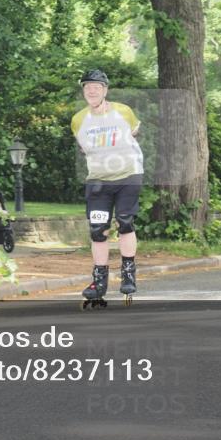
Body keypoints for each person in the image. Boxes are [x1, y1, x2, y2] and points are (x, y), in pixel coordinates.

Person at [71, 69, 144, 304]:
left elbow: (135, 132)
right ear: (84, 91)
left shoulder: (123, 111)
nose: (91, 90)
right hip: (99, 181)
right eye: (87, 87)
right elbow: (82, 147)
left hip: (127, 176)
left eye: (96, 86)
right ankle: (99, 280)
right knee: (98, 229)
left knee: (125, 222)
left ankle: (128, 274)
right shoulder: (78, 120)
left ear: (105, 90)